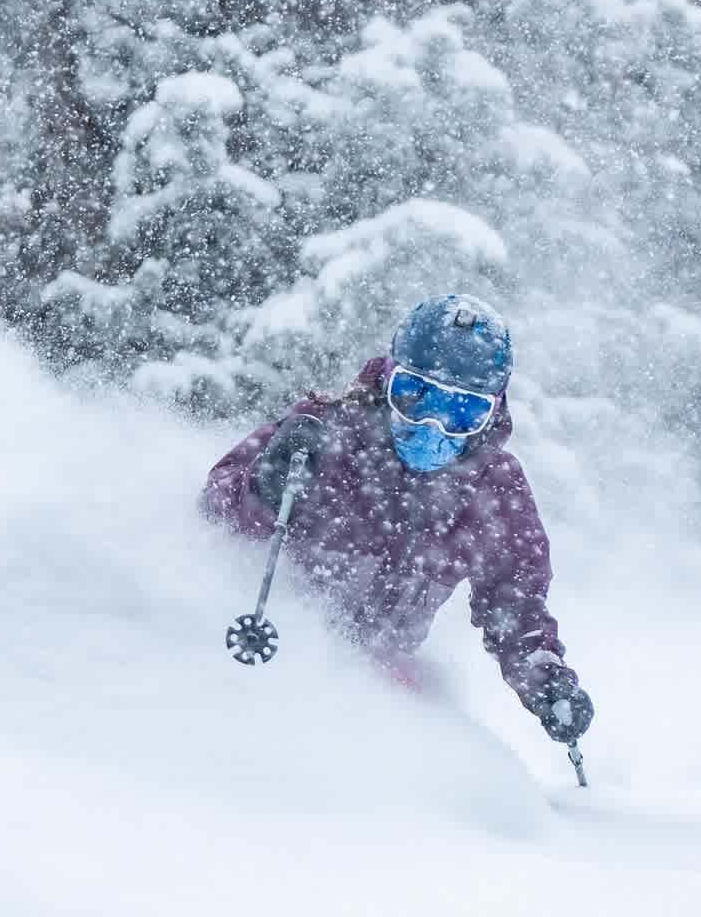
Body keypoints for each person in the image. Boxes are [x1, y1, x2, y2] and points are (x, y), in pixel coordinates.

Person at [202, 294, 593, 747]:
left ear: (491, 412)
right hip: (270, 648)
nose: (433, 424)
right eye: (415, 396)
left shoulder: (491, 488)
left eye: (463, 412)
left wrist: (544, 679)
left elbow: (514, 602)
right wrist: (261, 488)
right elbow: (214, 508)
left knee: (427, 748)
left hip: (379, 679)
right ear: (388, 379)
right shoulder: (324, 431)